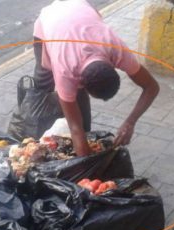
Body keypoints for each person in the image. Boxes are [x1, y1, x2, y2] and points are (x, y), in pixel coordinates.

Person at [28, 0, 159, 156]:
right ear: (80, 82)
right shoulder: (65, 70)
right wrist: (87, 170)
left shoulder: (116, 49)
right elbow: (75, 129)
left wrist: (130, 123)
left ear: (114, 65)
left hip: (81, 9)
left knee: (80, 119)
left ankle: (84, 133)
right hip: (49, 21)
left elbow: (152, 87)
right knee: (43, 85)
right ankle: (32, 136)